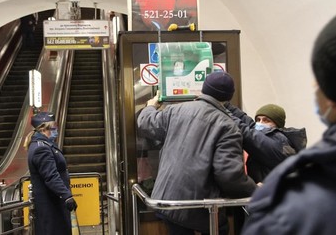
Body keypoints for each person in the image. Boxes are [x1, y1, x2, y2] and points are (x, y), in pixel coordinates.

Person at [241, 15, 336, 234]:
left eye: (318, 80)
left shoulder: (289, 206)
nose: (261, 124)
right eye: (259, 119)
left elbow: (251, 137)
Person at [137, 72, 257, 235]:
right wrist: (255, 191)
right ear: (228, 97)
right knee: (220, 228)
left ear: (204, 89)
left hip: (165, 200)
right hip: (196, 206)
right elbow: (229, 175)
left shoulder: (175, 110)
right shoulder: (228, 127)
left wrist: (151, 105)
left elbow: (145, 122)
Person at [24, 112, 77, 235]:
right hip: (51, 203)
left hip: (52, 201)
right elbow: (51, 176)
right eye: (53, 128)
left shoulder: (43, 145)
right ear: (43, 129)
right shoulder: (41, 148)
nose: (55, 130)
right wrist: (67, 196)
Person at [225, 103, 307, 183]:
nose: (260, 123)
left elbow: (246, 132)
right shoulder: (266, 134)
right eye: (258, 120)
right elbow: (245, 119)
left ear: (277, 125)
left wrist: (222, 110)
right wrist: (225, 104)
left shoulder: (279, 141)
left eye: (266, 120)